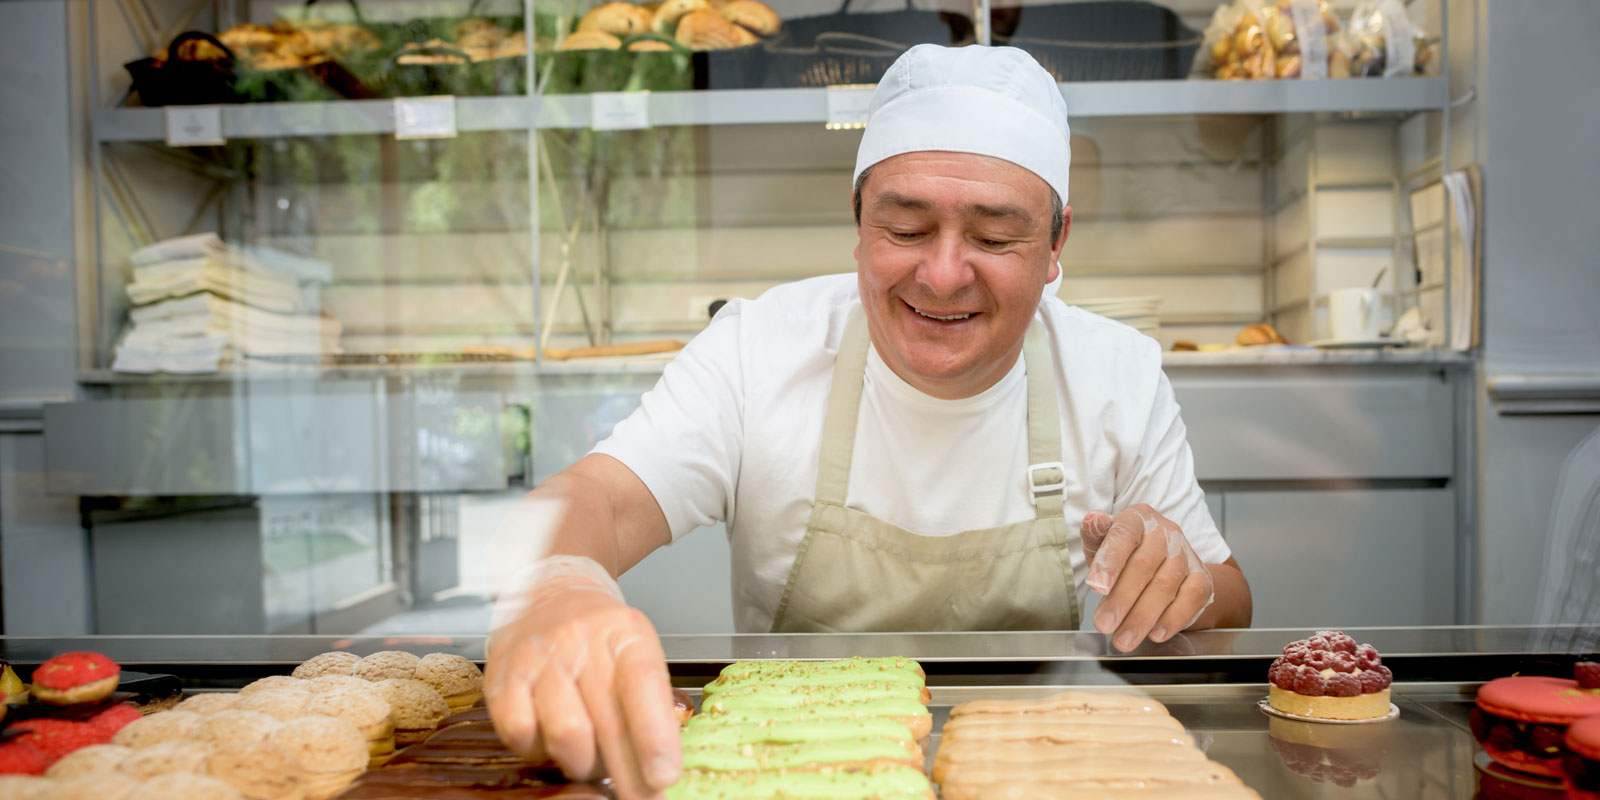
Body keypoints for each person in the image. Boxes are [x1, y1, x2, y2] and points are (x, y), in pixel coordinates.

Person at [484, 44, 1252, 799]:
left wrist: (1183, 582)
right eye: (906, 230)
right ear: (857, 226)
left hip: (1033, 769)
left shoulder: (1114, 372)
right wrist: (557, 580)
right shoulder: (760, 349)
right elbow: (598, 501)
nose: (944, 275)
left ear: (1055, 245)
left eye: (993, 237)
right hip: (779, 770)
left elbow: (1230, 605)